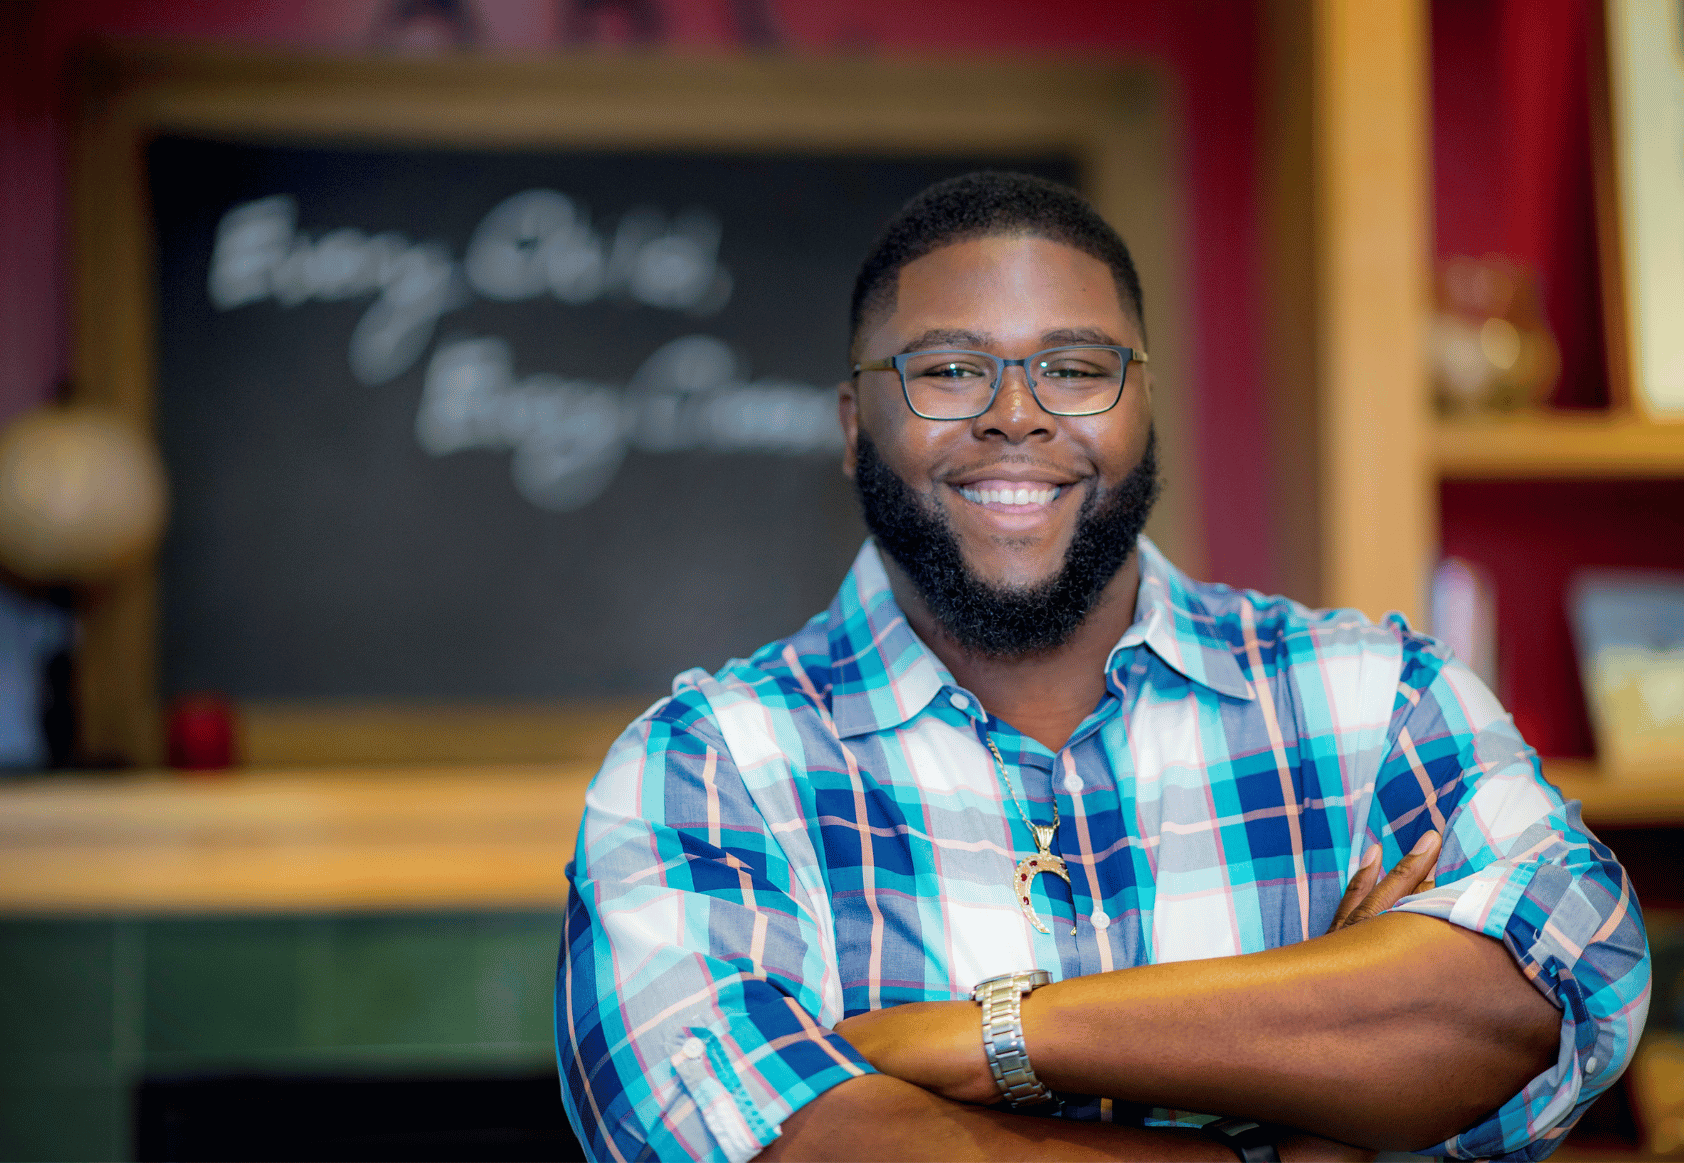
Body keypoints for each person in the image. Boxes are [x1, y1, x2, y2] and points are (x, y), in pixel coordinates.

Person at [554, 172, 1649, 1162]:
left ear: (1142, 404)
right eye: (947, 369)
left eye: (1076, 368)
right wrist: (1279, 1128)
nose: (1018, 415)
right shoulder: (705, 768)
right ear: (854, 424)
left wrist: (992, 1039)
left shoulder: (1375, 702)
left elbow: (1561, 980)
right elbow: (764, 1143)